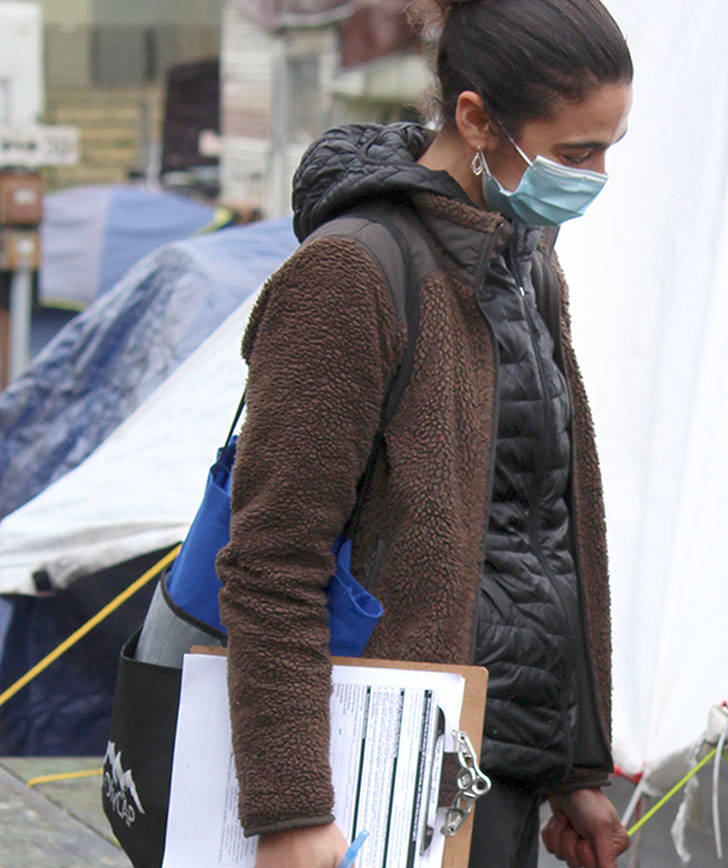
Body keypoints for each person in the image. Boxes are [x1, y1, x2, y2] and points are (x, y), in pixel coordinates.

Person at [215, 2, 634, 867]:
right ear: (476, 119)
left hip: (493, 775)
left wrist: (569, 767)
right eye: (575, 154)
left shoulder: (526, 259)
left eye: (608, 149)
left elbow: (538, 534)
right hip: (370, 787)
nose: (597, 176)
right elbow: (271, 560)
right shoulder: (351, 274)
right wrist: (291, 809)